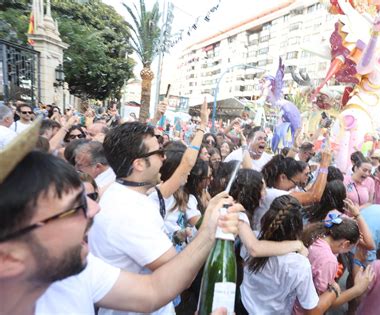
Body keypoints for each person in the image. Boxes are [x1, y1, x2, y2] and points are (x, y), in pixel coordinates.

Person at [0, 121, 241, 315]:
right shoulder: (122, 214)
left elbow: (152, 292)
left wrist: (211, 228)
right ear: (8, 257)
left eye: (88, 199)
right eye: (74, 209)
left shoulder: (76, 270)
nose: (95, 209)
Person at [88, 100, 209, 315]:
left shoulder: (122, 192)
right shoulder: (129, 212)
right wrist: (211, 227)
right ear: (139, 164)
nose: (164, 157)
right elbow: (179, 273)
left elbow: (185, 167)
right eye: (159, 152)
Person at [240, 195, 338, 315]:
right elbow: (311, 308)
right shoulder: (299, 264)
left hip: (243, 305)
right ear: (297, 228)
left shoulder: (250, 239)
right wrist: (334, 292)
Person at [293, 217, 374, 314]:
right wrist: (358, 288)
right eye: (352, 248)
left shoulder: (316, 234)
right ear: (345, 244)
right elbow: (323, 303)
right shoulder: (328, 261)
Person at [254, 152, 330, 231]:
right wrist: (324, 164)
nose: (294, 187)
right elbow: (314, 196)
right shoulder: (273, 194)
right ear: (282, 177)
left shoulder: (270, 189)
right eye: (295, 183)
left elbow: (309, 194)